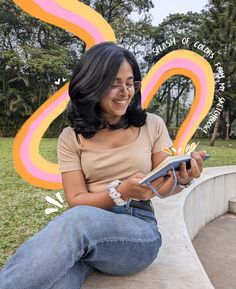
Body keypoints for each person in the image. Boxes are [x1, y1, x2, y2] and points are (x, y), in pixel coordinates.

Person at [0, 42, 205, 289]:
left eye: (130, 83)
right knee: (60, 279)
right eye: (115, 83)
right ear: (92, 85)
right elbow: (76, 198)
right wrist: (120, 192)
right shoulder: (70, 137)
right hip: (86, 228)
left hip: (137, 230)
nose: (125, 92)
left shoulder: (152, 124)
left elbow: (162, 184)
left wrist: (183, 177)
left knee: (78, 221)